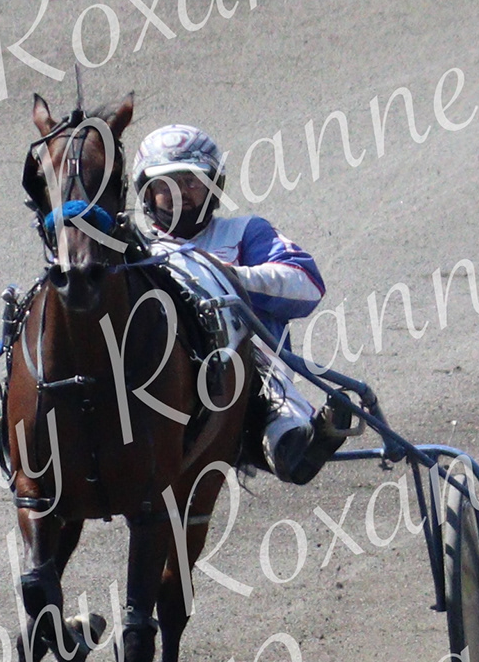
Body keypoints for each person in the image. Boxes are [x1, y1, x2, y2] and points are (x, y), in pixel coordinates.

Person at [132, 124, 359, 482]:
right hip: (158, 385)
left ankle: (299, 444)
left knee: (282, 430)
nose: (181, 193)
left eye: (191, 181)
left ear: (213, 186)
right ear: (147, 193)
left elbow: (307, 286)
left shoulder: (243, 232)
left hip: (252, 380)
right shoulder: (135, 253)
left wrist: (232, 278)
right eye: (167, 184)